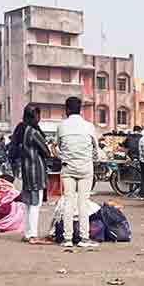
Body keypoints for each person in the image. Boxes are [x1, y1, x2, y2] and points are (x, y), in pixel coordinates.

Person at [56, 96, 98, 250]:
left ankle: (67, 239)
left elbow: (58, 147)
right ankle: (84, 237)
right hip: (86, 167)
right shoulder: (89, 126)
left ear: (66, 109)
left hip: (68, 167)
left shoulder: (61, 126)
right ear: (80, 110)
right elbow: (96, 150)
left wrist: (65, 157)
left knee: (68, 202)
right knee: (83, 202)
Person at [18, 105, 50, 245]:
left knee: (28, 204)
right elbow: (46, 151)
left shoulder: (23, 130)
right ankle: (33, 235)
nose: (39, 118)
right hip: (36, 171)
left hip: (26, 171)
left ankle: (27, 233)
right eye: (38, 115)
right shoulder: (33, 132)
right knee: (35, 204)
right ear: (34, 116)